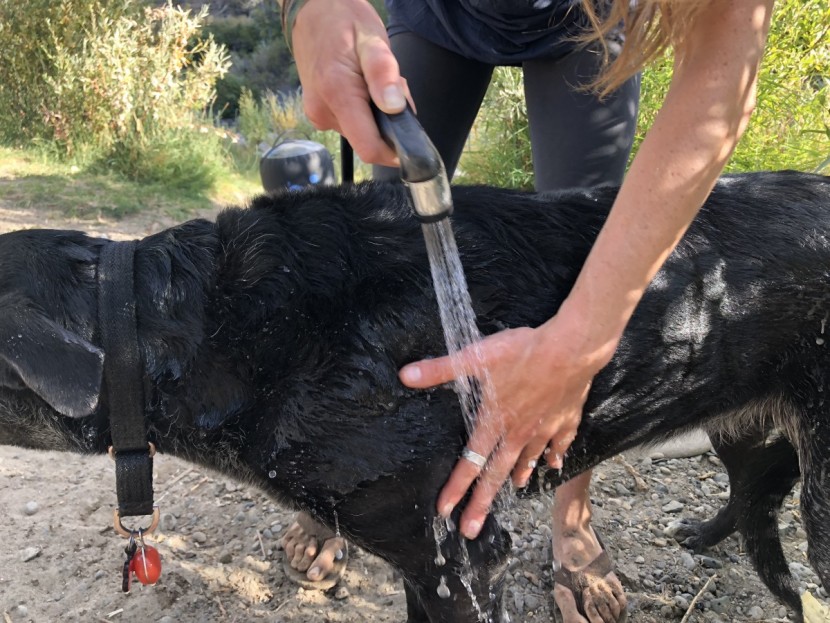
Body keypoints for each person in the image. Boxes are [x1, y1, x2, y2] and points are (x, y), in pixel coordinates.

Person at [277, 1, 775, 622]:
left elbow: (724, 62)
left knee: (585, 262)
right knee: (384, 248)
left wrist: (581, 340)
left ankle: (571, 518)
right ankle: (344, 485)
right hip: (438, 14)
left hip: (585, 20)